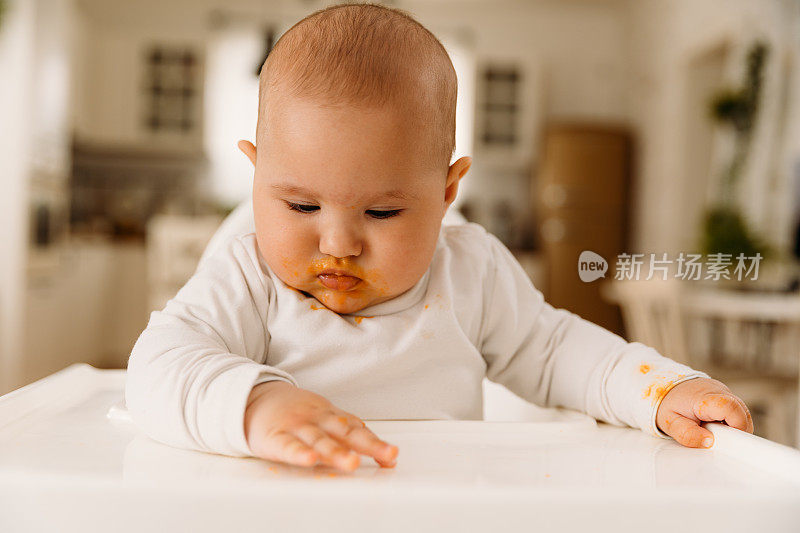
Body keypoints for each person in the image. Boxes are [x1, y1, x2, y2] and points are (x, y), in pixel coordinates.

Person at [126, 2, 753, 473]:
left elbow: (558, 351)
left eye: (383, 212)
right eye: (300, 204)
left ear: (447, 193)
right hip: (285, 507)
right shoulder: (248, 277)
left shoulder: (470, 272)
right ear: (256, 172)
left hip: (438, 502)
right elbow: (159, 367)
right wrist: (255, 406)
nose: (339, 241)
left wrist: (659, 390)